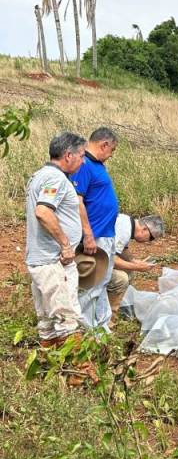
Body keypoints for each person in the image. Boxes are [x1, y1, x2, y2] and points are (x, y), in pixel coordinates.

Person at [25, 132, 86, 347]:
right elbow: (43, 212)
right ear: (68, 155)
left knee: (48, 322)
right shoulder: (55, 178)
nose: (83, 160)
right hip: (53, 261)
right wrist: (66, 244)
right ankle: (78, 376)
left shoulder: (40, 175)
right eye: (81, 155)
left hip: (41, 259)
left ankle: (48, 369)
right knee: (67, 318)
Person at [73, 127, 119, 330]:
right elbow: (78, 200)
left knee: (102, 282)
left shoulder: (98, 165)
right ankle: (86, 328)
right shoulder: (84, 165)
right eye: (112, 150)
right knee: (91, 284)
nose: (111, 155)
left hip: (106, 233)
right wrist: (88, 234)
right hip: (96, 234)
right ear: (104, 144)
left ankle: (101, 325)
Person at [106, 214, 165, 323]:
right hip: (92, 258)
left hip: (99, 255)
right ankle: (108, 320)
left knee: (128, 271)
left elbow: (121, 249)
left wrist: (133, 261)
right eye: (151, 237)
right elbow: (110, 260)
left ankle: (121, 306)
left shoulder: (127, 222)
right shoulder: (124, 229)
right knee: (121, 279)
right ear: (144, 229)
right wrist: (137, 267)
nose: (148, 241)